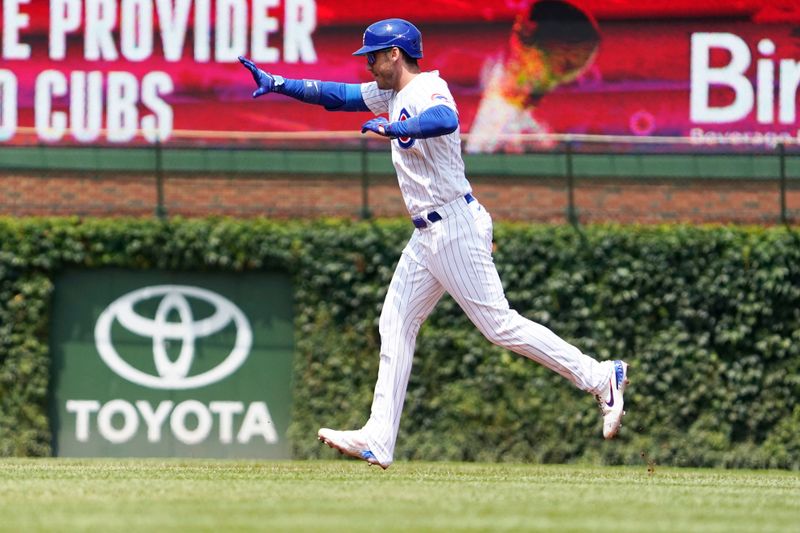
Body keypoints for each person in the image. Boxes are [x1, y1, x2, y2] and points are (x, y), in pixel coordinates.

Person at [239, 18, 629, 469]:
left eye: (373, 55)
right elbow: (338, 96)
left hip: (454, 225)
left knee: (499, 326)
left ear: (395, 54)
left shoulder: (428, 88)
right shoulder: (391, 93)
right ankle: (379, 438)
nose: (367, 64)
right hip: (428, 234)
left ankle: (602, 377)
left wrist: (397, 128)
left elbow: (446, 119)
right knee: (395, 322)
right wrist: (279, 83)